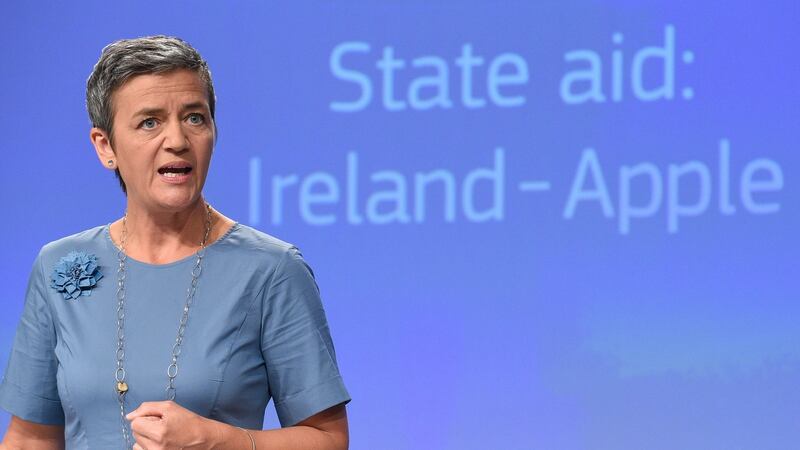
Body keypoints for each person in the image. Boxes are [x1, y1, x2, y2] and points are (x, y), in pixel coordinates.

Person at [0, 35, 350, 449]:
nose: (178, 140)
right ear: (105, 146)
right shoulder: (59, 265)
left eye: (195, 118)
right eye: (150, 122)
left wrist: (218, 441)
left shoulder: (272, 269)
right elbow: (29, 438)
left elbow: (328, 440)